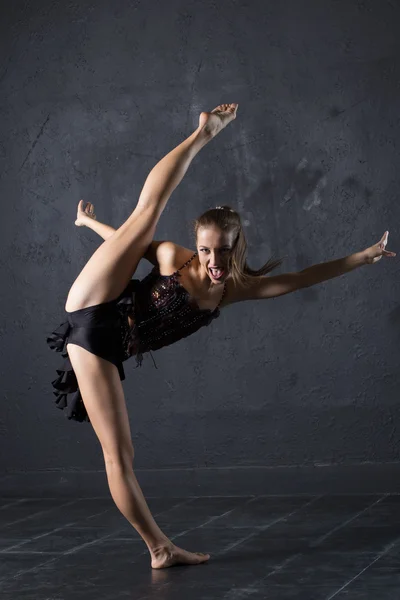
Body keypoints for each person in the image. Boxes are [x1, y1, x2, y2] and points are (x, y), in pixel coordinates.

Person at [46, 103, 396, 569]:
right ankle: (202, 135)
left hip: (106, 345)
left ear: (236, 249)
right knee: (145, 215)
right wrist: (89, 224)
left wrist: (363, 257)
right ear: (198, 245)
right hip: (93, 308)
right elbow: (126, 243)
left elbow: (301, 278)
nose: (212, 259)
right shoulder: (174, 259)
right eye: (206, 248)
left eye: (222, 250)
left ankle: (161, 550)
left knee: (121, 455)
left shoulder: (233, 291)